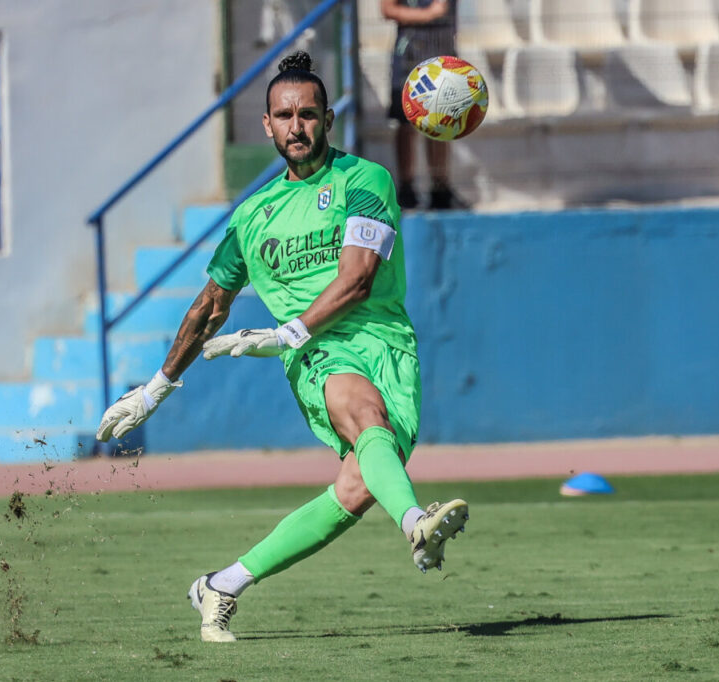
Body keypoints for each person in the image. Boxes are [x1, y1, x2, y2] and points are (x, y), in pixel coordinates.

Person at [95, 51, 468, 643]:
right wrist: (155, 388)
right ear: (267, 125)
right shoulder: (252, 216)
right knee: (364, 415)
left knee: (358, 485)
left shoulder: (363, 180)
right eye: (284, 115)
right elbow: (210, 307)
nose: (297, 126)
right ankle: (417, 524)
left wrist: (284, 330)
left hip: (384, 342)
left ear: (328, 120)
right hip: (320, 355)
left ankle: (222, 584)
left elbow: (358, 279)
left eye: (309, 114)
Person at [381, 0, 468, 210]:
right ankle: (407, 187)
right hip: (410, 51)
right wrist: (429, 14)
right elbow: (388, 9)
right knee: (406, 120)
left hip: (442, 47)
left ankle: (440, 186)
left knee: (441, 120)